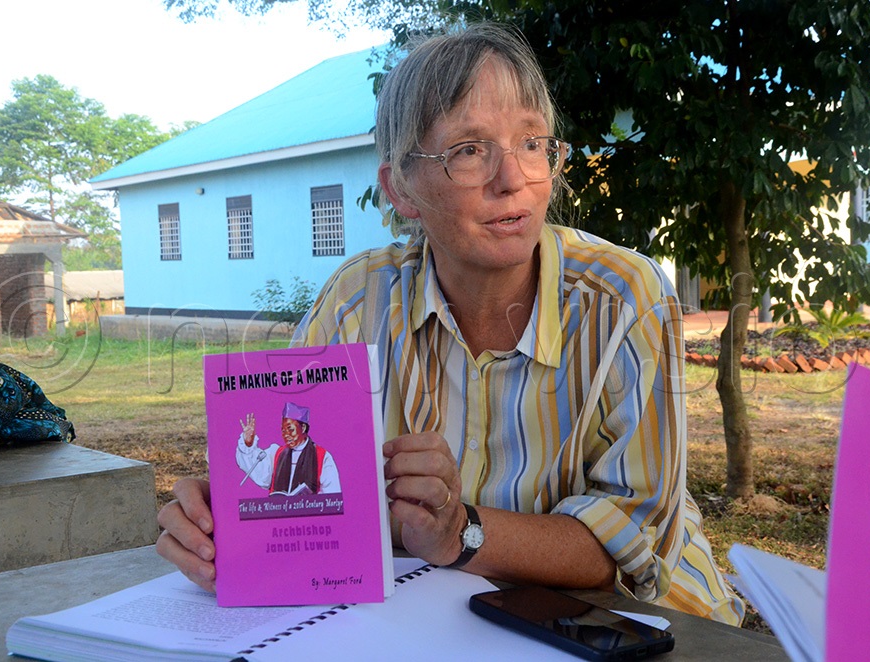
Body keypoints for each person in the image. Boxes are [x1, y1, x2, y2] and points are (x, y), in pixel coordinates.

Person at [157, 22, 745, 626]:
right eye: (468, 150)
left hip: (642, 625)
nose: (512, 178)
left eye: (532, 143)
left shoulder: (624, 300)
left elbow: (630, 549)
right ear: (401, 189)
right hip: (441, 621)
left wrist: (458, 532)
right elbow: (311, 490)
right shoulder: (355, 303)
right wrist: (230, 513)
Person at [236, 403, 340, 495]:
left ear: (303, 428)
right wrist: (248, 443)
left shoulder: (322, 457)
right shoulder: (276, 453)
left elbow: (332, 497)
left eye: (290, 429)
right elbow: (261, 476)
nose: (286, 435)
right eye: (283, 431)